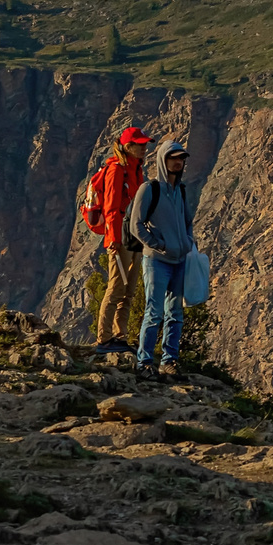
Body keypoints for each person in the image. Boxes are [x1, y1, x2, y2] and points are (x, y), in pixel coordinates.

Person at [130, 140, 196, 376]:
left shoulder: (181, 190)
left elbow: (188, 221)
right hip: (157, 261)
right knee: (154, 312)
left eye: (181, 158)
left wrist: (188, 242)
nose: (178, 162)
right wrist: (157, 245)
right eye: (173, 158)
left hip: (179, 261)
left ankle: (169, 361)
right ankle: (144, 362)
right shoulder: (149, 189)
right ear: (162, 160)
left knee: (175, 314)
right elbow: (135, 226)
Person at [84, 127, 151, 352]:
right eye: (139, 144)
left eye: (144, 144)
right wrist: (113, 239)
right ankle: (103, 338)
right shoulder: (116, 170)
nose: (144, 148)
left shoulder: (136, 170)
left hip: (134, 234)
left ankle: (120, 337)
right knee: (116, 287)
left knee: (129, 289)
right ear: (127, 147)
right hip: (120, 236)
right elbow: (111, 208)